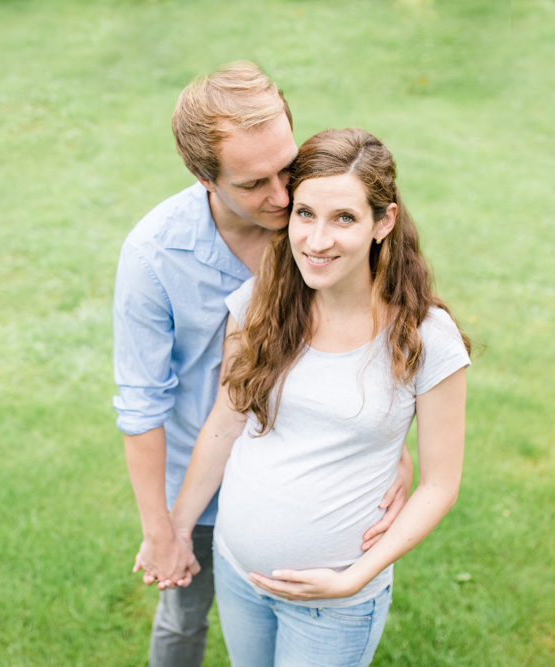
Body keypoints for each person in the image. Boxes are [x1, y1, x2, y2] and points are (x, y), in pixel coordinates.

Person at [112, 64, 415, 666]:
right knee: (182, 614)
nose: (281, 197)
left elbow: (372, 343)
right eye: (254, 184)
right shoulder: (153, 257)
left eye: (287, 167)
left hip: (309, 477)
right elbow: (142, 403)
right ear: (204, 177)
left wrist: (393, 449)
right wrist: (162, 530)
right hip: (200, 484)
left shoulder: (316, 225)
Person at [155, 128, 472, 666]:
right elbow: (224, 425)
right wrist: (178, 529)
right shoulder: (261, 302)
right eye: (305, 214)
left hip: (336, 603)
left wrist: (354, 580)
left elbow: (441, 485)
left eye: (344, 218)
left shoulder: (425, 336)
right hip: (238, 572)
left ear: (384, 222)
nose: (317, 240)